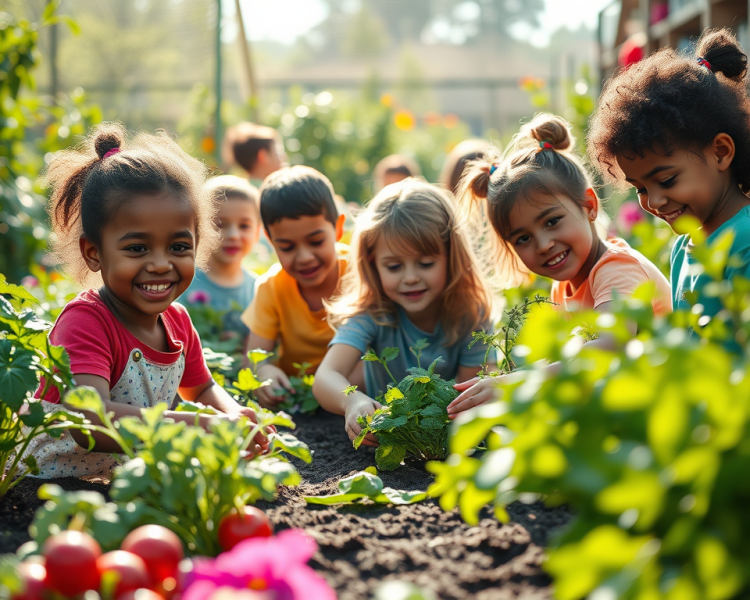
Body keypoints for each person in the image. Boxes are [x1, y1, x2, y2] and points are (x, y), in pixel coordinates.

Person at [28, 123, 268, 478]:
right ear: (94, 253)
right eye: (137, 248)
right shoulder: (85, 322)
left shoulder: (177, 322)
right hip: (47, 486)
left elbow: (202, 387)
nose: (160, 264)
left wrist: (233, 414)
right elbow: (89, 421)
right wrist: (201, 425)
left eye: (178, 247)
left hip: (120, 482)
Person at [446, 113, 671, 418]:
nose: (543, 244)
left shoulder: (616, 269)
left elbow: (610, 346)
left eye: (552, 221)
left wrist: (515, 384)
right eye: (523, 239)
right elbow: (572, 367)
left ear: (589, 206)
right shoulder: (565, 286)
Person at [313, 179, 498, 445]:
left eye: (426, 263)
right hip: (387, 440)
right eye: (394, 267)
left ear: (451, 257)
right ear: (373, 264)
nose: (410, 278)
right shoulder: (372, 313)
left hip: (438, 438)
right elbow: (325, 376)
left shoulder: (470, 314)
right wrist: (352, 401)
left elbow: (471, 395)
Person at [588, 28, 750, 323]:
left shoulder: (745, 242)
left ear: (720, 152)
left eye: (666, 181)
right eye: (640, 189)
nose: (654, 201)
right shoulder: (682, 249)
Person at [241, 165, 361, 407]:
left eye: (316, 241)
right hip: (298, 396)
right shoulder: (271, 287)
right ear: (270, 240)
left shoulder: (359, 273)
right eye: (287, 247)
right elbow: (254, 358)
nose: (305, 257)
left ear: (338, 228)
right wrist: (264, 372)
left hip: (354, 390)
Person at [179, 175, 260, 339]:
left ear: (258, 232)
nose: (234, 235)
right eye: (220, 225)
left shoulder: (258, 290)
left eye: (244, 226)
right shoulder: (183, 282)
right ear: (199, 228)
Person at [223, 122, 287, 185]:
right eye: (279, 152)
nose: (284, 157)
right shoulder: (271, 189)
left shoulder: (242, 188)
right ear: (263, 156)